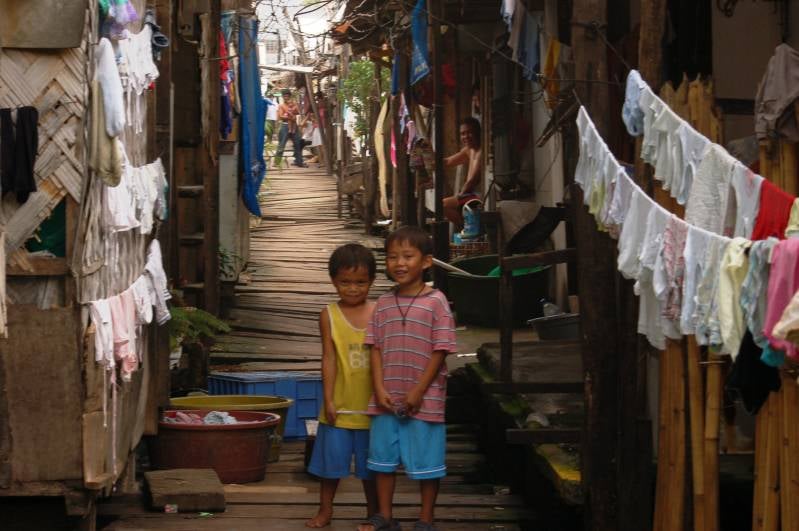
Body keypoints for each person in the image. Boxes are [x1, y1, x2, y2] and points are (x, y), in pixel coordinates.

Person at [362, 226, 457, 531]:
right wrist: (378, 388)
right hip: (386, 397)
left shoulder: (437, 301)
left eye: (407, 256)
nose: (399, 263)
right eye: (392, 257)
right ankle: (385, 516)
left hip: (425, 397)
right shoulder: (383, 303)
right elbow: (375, 347)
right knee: (382, 459)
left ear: (426, 261)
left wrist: (418, 390)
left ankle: (425, 518)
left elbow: (441, 350)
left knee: (428, 462)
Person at [306, 243, 379, 529]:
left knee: (372, 468)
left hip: (373, 407)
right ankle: (325, 510)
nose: (353, 289)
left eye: (360, 282)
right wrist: (328, 399)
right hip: (339, 406)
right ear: (333, 281)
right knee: (330, 465)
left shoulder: (379, 312)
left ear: (372, 281)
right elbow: (329, 359)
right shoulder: (329, 315)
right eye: (345, 282)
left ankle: (374, 513)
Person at [443, 117, 483, 228]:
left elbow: (472, 181)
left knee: (442, 205)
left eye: (469, 132)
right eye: (463, 134)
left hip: (479, 196)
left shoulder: (482, 151)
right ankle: (469, 228)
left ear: (477, 133)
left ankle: (468, 228)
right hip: (469, 194)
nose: (466, 137)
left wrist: (459, 196)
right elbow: (448, 162)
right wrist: (429, 159)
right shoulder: (468, 150)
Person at [274, 88, 306, 168]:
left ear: (290, 96)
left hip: (294, 126)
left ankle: (299, 162)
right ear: (282, 97)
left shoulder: (294, 104)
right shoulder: (281, 105)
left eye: (287, 96)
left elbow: (298, 113)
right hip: (285, 126)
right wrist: (290, 116)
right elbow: (281, 116)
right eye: (285, 96)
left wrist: (290, 115)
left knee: (298, 144)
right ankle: (277, 162)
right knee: (281, 145)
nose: (286, 97)